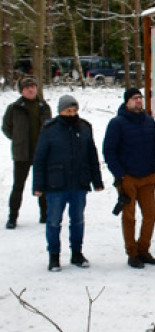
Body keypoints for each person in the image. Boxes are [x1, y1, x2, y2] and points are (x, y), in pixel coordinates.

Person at [32, 94, 104, 272]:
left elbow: (92, 155)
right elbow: (40, 159)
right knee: (54, 221)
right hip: (56, 184)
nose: (71, 114)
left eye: (74, 111)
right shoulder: (49, 129)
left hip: (79, 183)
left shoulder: (85, 128)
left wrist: (97, 180)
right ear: (60, 111)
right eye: (67, 111)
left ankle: (77, 253)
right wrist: (38, 185)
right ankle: (54, 256)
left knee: (78, 220)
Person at [103, 87, 155, 268]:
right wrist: (120, 174)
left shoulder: (149, 122)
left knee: (150, 215)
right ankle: (132, 253)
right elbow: (109, 151)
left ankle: (144, 249)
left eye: (140, 98)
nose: (139, 101)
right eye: (135, 98)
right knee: (129, 217)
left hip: (147, 177)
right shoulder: (117, 123)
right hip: (128, 177)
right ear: (126, 102)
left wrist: (154, 170)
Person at [3, 75, 51, 229]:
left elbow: (50, 127)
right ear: (21, 91)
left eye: (33, 87)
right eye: (26, 87)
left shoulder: (44, 106)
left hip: (41, 153)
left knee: (42, 185)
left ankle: (45, 215)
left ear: (37, 89)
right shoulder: (14, 108)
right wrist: (18, 139)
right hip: (22, 153)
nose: (30, 89)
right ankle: (12, 217)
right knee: (18, 186)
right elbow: (6, 128)